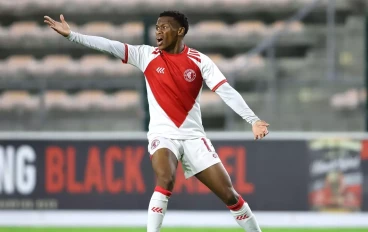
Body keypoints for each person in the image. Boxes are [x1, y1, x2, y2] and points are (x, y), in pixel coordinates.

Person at [44, 10, 269, 232]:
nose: (158, 32)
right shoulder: (146, 55)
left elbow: (226, 91)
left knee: (230, 195)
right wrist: (72, 35)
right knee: (166, 178)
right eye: (156, 27)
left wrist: (253, 120)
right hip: (162, 135)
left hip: (193, 137)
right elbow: (108, 45)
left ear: (180, 31)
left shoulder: (199, 61)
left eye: (164, 27)